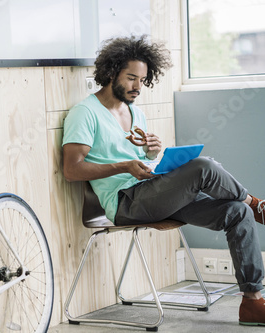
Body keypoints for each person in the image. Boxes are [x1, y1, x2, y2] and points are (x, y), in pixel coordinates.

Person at [62, 35, 265, 326]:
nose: (137, 87)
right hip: (124, 203)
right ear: (110, 73)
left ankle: (252, 302)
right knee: (204, 167)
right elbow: (72, 170)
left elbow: (144, 165)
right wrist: (125, 166)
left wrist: (152, 153)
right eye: (131, 78)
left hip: (152, 194)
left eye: (142, 80)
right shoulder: (85, 113)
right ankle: (257, 204)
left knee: (237, 212)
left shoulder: (136, 113)